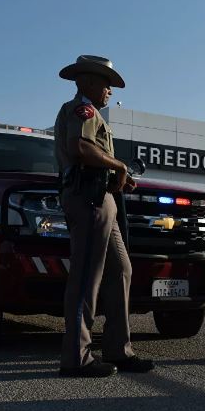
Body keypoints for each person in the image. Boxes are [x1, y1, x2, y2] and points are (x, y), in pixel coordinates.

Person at [54, 55, 154, 377]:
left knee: (121, 270)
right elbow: (80, 148)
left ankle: (118, 350)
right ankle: (76, 358)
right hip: (88, 200)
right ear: (87, 81)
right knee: (86, 276)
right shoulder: (82, 110)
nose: (110, 91)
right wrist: (120, 166)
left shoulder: (95, 114)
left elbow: (92, 156)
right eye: (106, 84)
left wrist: (116, 175)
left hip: (102, 197)